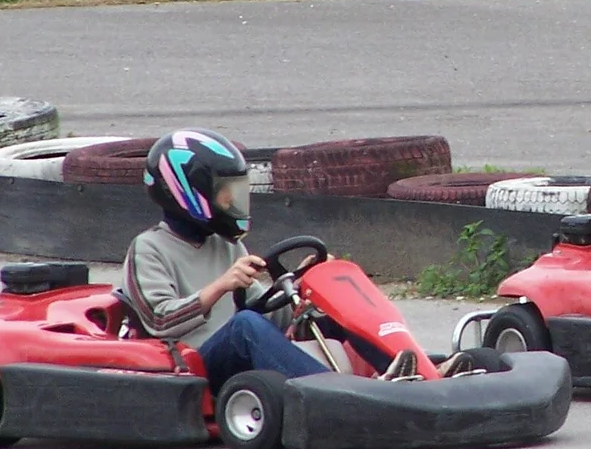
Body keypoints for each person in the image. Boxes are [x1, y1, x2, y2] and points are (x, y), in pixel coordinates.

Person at [122, 128, 418, 390]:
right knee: (244, 326)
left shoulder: (225, 245)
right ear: (187, 193)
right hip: (192, 364)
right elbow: (159, 319)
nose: (232, 201)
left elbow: (262, 311)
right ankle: (332, 394)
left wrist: (299, 286)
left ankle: (412, 372)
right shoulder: (149, 248)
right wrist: (220, 287)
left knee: (334, 307)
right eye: (224, 193)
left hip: (237, 350)